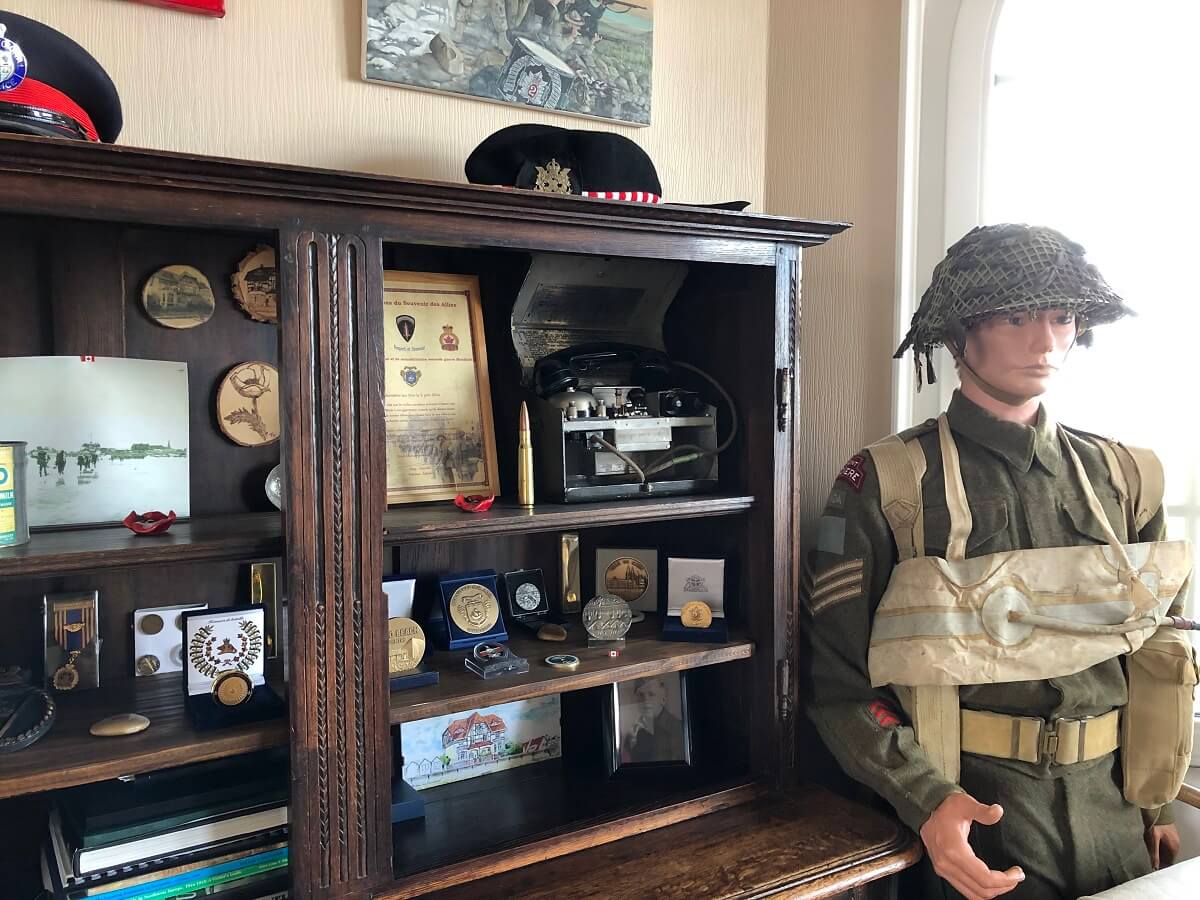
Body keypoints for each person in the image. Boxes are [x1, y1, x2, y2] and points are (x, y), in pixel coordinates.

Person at [803, 224, 1192, 900]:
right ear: (959, 334)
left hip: (1114, 819)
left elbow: (1154, 646)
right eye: (1016, 317)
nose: (1044, 341)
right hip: (977, 818)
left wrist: (1151, 804)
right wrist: (927, 802)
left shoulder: (1125, 479)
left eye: (1062, 318)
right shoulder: (891, 484)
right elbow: (837, 684)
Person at [621, 676, 684, 763]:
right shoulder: (633, 733)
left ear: (663, 699)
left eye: (651, 694)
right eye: (641, 695)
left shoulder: (679, 729)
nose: (645, 700)